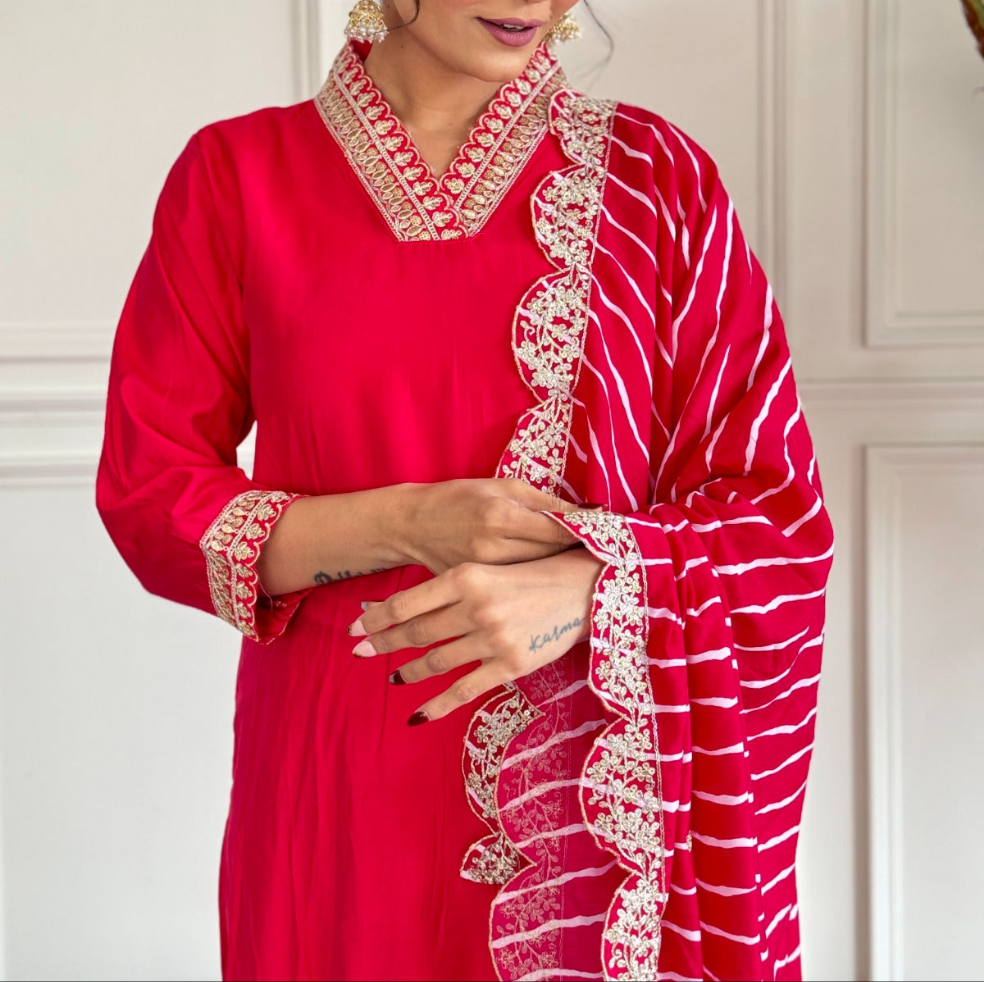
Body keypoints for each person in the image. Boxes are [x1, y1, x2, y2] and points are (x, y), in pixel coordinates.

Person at [95, 2, 835, 980]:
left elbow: (775, 517)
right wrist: (409, 522)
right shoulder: (236, 176)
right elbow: (153, 492)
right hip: (336, 779)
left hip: (592, 790)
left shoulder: (657, 179)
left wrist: (591, 585)